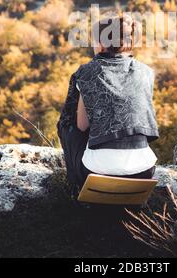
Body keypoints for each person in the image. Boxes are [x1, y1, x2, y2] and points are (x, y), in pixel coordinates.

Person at [57, 15, 159, 196]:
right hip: (144, 171)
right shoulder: (146, 72)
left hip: (95, 171)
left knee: (67, 126)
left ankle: (76, 189)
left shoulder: (87, 72)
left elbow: (82, 126)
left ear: (101, 43)